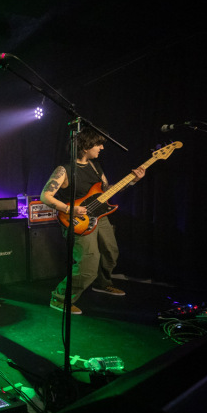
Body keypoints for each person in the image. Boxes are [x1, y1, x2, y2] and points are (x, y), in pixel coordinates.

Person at [39, 127, 145, 314]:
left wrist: (132, 180)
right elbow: (45, 196)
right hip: (76, 219)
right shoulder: (64, 170)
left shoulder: (95, 167)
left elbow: (107, 190)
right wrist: (69, 208)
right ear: (86, 146)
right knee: (88, 265)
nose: (102, 148)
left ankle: (103, 284)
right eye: (98, 144)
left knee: (110, 251)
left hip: (99, 216)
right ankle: (60, 298)